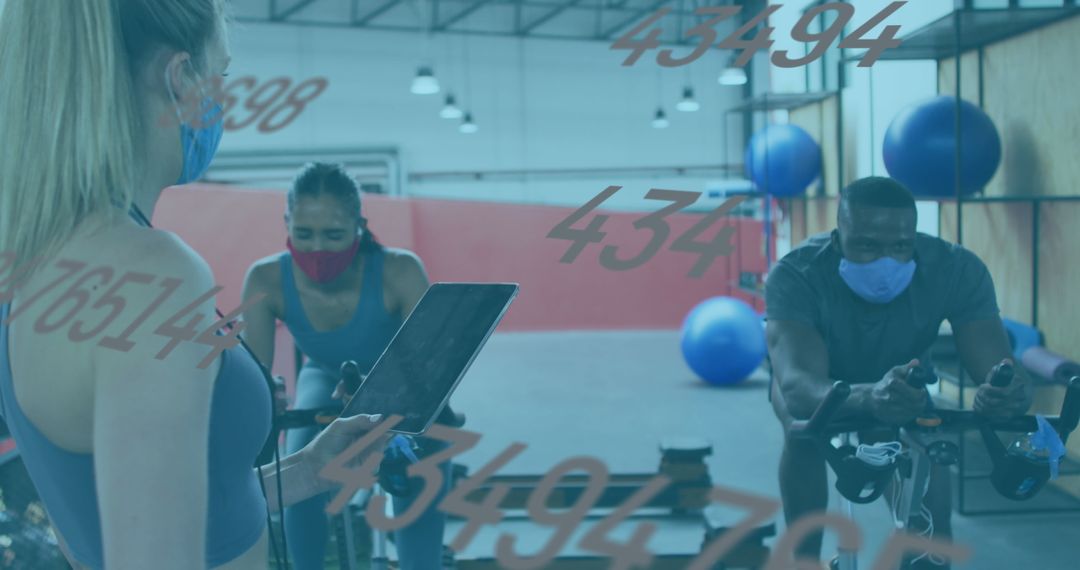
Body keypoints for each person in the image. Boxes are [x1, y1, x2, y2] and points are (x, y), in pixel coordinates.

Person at [0, 2, 387, 569]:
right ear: (180, 79)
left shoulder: (37, 260)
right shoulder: (147, 276)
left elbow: (106, 516)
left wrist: (306, 471)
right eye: (221, 75)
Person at [765, 177, 1032, 569]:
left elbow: (997, 365)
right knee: (804, 431)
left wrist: (1007, 393)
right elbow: (797, 385)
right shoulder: (797, 273)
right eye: (867, 245)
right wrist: (867, 397)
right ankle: (804, 559)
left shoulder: (955, 269)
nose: (884, 260)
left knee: (926, 462)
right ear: (839, 236)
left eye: (900, 246)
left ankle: (921, 552)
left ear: (914, 236)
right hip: (818, 382)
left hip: (902, 384)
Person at [240, 162, 457, 570]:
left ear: (360, 225)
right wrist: (266, 400)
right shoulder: (266, 279)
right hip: (323, 377)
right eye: (303, 234)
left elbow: (430, 371)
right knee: (297, 470)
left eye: (334, 235)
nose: (317, 249)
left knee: (422, 460)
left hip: (401, 384)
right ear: (287, 222)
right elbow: (255, 380)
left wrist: (387, 403)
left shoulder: (400, 270)